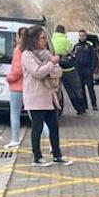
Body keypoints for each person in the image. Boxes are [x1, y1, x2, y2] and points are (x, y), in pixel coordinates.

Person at [20, 25, 67, 166]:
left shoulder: (46, 53)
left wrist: (49, 68)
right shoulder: (26, 55)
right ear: (34, 39)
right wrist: (51, 64)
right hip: (35, 96)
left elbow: (58, 72)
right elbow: (37, 72)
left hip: (48, 96)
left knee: (54, 126)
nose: (45, 41)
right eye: (42, 38)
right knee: (37, 127)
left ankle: (57, 155)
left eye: (45, 38)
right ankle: (37, 157)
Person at [51, 24, 87, 115]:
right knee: (73, 89)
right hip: (68, 69)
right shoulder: (65, 40)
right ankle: (79, 108)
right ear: (63, 31)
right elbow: (71, 49)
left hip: (54, 68)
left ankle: (56, 108)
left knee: (56, 89)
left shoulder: (51, 40)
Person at [4, 27, 25, 148]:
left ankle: (14, 139)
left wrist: (9, 78)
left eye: (17, 36)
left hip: (17, 87)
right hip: (27, 86)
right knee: (35, 116)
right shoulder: (30, 49)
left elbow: (17, 70)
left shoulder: (18, 50)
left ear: (20, 37)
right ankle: (50, 139)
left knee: (15, 114)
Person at [72, 29, 99, 111]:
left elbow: (94, 58)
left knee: (90, 87)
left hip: (88, 70)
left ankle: (94, 104)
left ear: (86, 36)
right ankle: (84, 105)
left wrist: (92, 68)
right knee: (81, 88)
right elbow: (73, 57)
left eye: (83, 35)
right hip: (79, 70)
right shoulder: (76, 46)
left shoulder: (89, 46)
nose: (81, 37)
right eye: (80, 35)